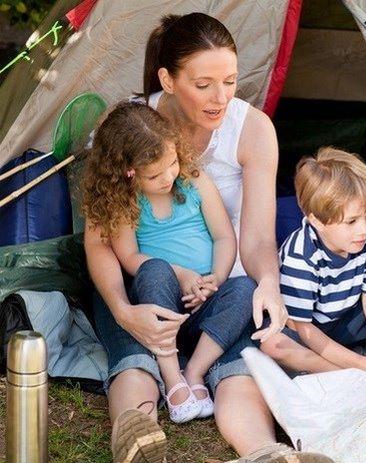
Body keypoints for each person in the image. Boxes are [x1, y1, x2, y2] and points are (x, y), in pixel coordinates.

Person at [84, 12, 332, 462]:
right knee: (136, 358)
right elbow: (101, 238)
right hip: (141, 280)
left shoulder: (253, 129)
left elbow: (254, 239)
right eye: (203, 85)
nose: (220, 98)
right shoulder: (129, 126)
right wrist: (122, 311)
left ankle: (265, 453)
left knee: (241, 368)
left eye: (231, 81)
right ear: (169, 78)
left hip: (215, 288)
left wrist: (269, 286)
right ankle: (135, 439)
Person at [83, 101, 251, 424]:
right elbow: (129, 257)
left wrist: (214, 278)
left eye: (172, 163)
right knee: (154, 270)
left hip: (202, 298)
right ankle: (172, 380)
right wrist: (183, 274)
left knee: (244, 289)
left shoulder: (195, 181)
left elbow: (224, 237)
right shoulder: (125, 202)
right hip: (159, 302)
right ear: (127, 174)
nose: (168, 177)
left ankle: (194, 371)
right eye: (154, 174)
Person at [260, 147, 366, 381]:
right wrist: (359, 363)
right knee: (272, 345)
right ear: (317, 221)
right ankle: (349, 371)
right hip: (308, 329)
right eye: (351, 221)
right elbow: (303, 329)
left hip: (348, 318)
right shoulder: (301, 256)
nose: (364, 229)